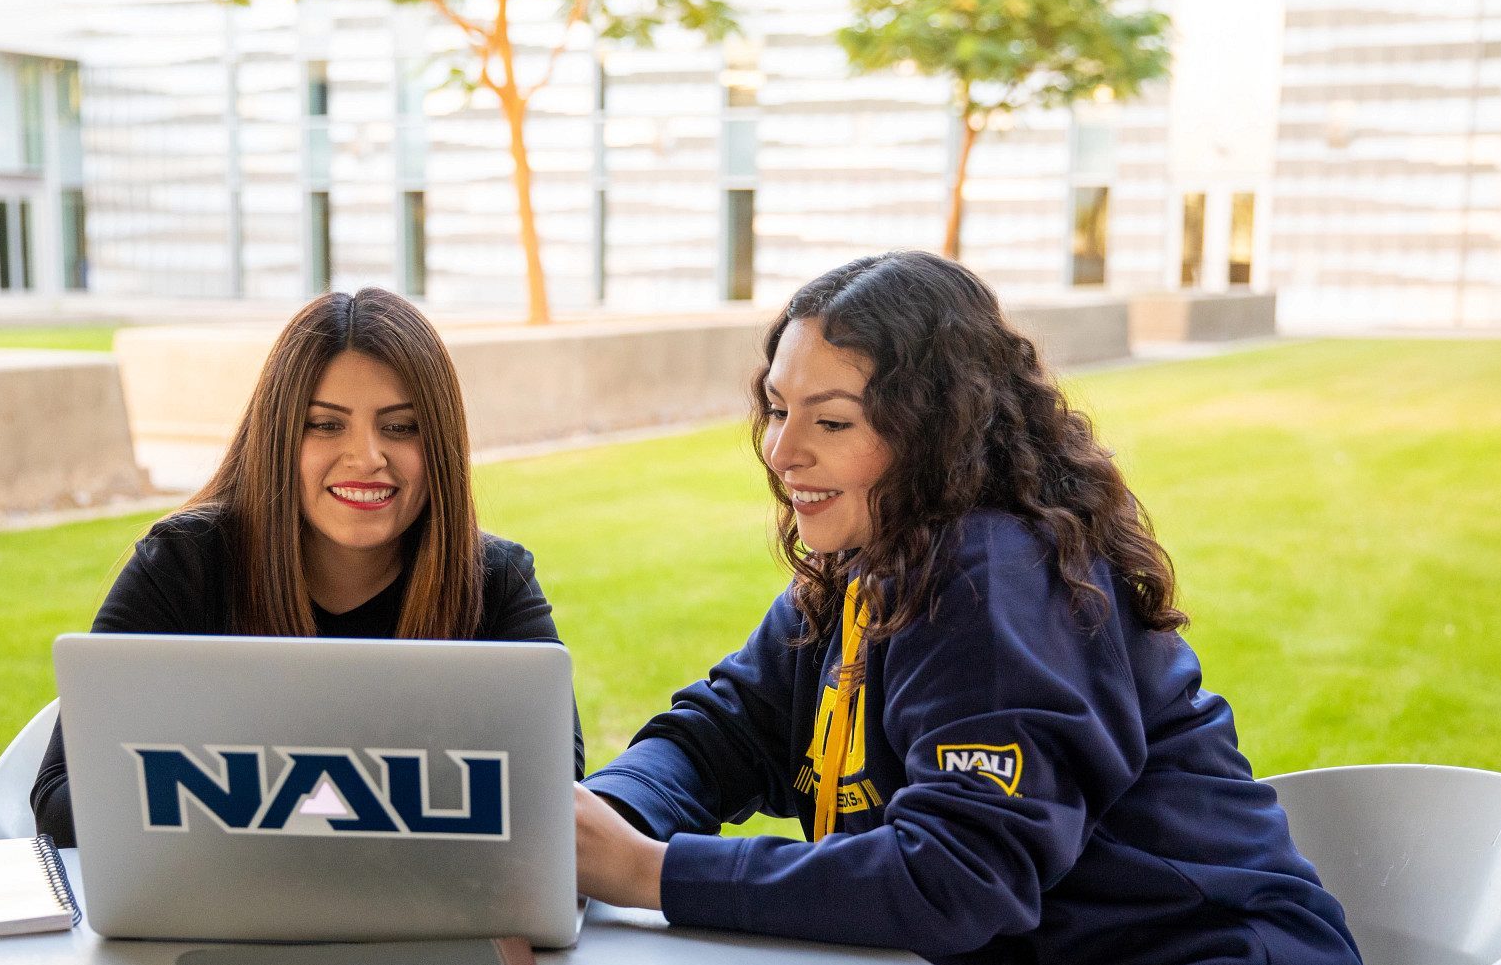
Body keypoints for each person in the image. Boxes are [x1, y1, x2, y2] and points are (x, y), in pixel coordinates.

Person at [572, 252, 1360, 965]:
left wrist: (649, 870)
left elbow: (957, 875)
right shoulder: (861, 566)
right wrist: (584, 826)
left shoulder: (993, 578)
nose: (782, 452)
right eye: (779, 408)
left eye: (832, 420)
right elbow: (722, 732)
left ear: (932, 433)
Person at [32, 288, 584, 846]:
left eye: (400, 427)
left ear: (439, 443)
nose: (367, 457)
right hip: (228, 914)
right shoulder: (185, 564)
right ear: (278, 439)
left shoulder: (495, 581)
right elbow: (59, 797)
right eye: (325, 425)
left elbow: (560, 794)